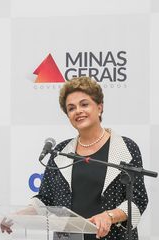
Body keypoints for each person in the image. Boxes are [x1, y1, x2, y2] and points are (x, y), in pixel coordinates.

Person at [29, 76, 149, 239]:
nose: (78, 111)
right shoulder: (60, 152)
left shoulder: (126, 148)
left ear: (99, 107)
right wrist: (18, 215)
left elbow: (138, 200)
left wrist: (109, 216)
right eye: (71, 108)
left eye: (84, 104)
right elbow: (45, 199)